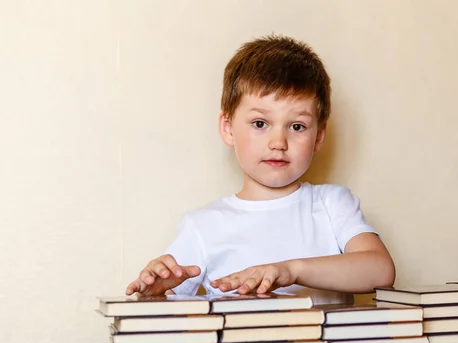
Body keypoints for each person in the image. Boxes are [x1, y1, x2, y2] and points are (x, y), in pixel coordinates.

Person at [125, 35, 395, 304]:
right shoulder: (203, 226)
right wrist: (155, 294)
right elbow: (166, 316)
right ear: (228, 128)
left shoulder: (332, 204)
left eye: (297, 126)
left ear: (319, 136)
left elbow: (381, 271)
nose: (278, 143)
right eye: (259, 123)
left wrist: (291, 270)